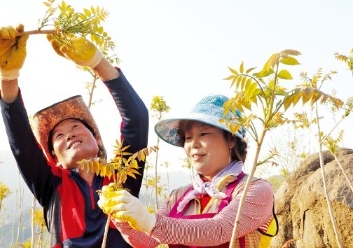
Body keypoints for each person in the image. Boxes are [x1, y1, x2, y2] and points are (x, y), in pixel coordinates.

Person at [0, 24, 149, 247]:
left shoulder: (122, 175)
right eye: (59, 136)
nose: (69, 135)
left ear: (96, 139)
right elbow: (20, 140)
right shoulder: (51, 184)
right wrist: (8, 76)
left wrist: (97, 62)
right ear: (54, 157)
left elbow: (137, 120)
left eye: (76, 127)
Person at [98, 94, 275, 247]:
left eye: (203, 134)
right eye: (188, 138)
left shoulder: (254, 190)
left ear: (231, 140)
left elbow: (220, 229)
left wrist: (150, 221)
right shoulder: (179, 196)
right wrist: (121, 216)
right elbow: (147, 241)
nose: (193, 144)